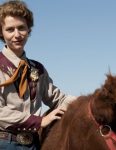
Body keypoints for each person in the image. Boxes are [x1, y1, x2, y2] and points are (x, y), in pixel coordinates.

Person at [0, 0, 76, 150]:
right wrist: (39, 121)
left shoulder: (37, 69)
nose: (17, 35)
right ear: (1, 32)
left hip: (35, 144)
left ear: (28, 30)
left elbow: (58, 99)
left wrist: (88, 101)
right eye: (10, 29)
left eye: (21, 28)